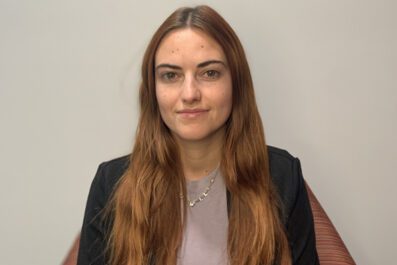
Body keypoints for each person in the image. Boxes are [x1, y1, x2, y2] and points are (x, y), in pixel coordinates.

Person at [77, 5, 319, 265]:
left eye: (209, 73)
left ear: (236, 83)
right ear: (153, 90)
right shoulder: (110, 183)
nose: (190, 94)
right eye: (171, 75)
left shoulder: (282, 177)